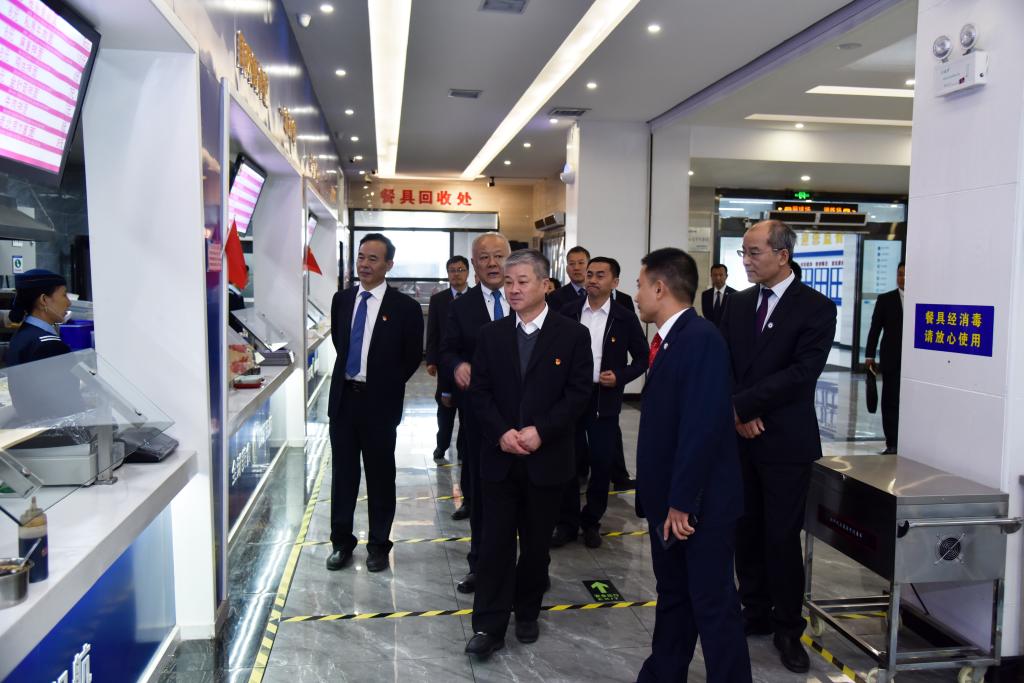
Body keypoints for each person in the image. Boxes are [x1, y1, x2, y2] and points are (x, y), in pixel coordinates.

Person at [718, 220, 836, 674]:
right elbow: (724, 361)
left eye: (754, 253)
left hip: (785, 441)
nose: (746, 261)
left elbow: (802, 373)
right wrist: (737, 412)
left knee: (781, 537)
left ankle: (788, 628)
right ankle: (755, 609)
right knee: (745, 529)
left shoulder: (816, 308)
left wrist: (745, 406)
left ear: (782, 256)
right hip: (740, 436)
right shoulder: (737, 303)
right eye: (744, 253)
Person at [464, 249, 592, 657]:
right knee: (495, 546)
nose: (513, 289)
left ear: (545, 285)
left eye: (522, 281)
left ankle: (527, 611)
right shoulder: (492, 335)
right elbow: (480, 392)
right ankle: (488, 625)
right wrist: (501, 432)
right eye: (509, 281)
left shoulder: (572, 335)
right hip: (499, 459)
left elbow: (578, 394)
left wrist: (542, 431)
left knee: (536, 546)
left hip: (547, 460)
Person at [634, 247, 751, 683]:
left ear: (660, 288)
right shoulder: (670, 339)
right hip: (671, 501)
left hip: (698, 505)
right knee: (674, 594)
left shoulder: (700, 339)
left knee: (712, 602)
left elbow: (702, 428)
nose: (636, 294)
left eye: (640, 285)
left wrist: (683, 501)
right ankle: (663, 673)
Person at [326, 233, 423, 573]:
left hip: (380, 404)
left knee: (381, 477)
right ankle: (341, 543)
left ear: (388, 265)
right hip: (343, 401)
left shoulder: (405, 308)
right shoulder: (341, 300)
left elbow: (412, 356)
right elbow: (340, 343)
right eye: (361, 257)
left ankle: (379, 545)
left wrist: (385, 383)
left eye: (373, 259)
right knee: (343, 476)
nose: (364, 264)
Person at [552, 256, 648, 548]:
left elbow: (643, 358)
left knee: (602, 461)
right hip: (571, 396)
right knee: (568, 461)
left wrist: (620, 376)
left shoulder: (623, 317)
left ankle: (592, 520)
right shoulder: (567, 311)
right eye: (590, 274)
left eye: (600, 275)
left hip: (604, 398)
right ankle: (567, 522)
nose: (592, 280)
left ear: (614, 282)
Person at [439, 233, 511, 593]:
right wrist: (457, 366)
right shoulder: (461, 306)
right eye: (485, 257)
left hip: (525, 418)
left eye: (499, 256)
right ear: (474, 264)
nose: (493, 263)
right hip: (480, 418)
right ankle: (479, 566)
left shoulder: (526, 298)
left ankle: (530, 569)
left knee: (526, 500)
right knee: (482, 496)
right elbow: (446, 349)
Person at [425, 255, 469, 464]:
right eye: (452, 270)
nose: (456, 274)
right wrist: (431, 360)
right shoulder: (439, 299)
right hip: (445, 362)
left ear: (467, 272)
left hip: (469, 363)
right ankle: (441, 446)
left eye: (460, 270)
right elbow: (433, 332)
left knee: (467, 410)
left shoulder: (476, 297)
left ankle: (462, 450)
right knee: (445, 408)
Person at [865, 262, 904, 455]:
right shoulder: (886, 299)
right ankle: (892, 443)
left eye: (906, 274)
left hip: (916, 364)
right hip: (892, 359)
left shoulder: (923, 300)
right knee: (890, 401)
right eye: (900, 274)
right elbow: (875, 329)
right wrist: (869, 355)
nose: (903, 278)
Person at [6, 269, 73, 367]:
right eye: (64, 295)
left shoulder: (22, 334)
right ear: (44, 300)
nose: (69, 303)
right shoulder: (49, 345)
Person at [546, 245, 590, 310]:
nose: (576, 268)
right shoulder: (555, 296)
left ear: (589, 267)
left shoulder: (597, 293)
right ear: (567, 269)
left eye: (581, 263)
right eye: (572, 264)